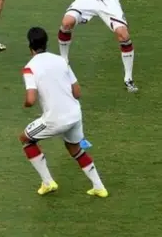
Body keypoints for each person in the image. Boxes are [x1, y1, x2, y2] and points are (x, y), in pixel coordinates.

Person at [19, 27, 108, 198]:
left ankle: (47, 182)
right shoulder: (61, 60)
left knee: (25, 139)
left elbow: (30, 100)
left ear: (29, 46)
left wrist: (26, 104)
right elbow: (77, 92)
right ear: (46, 43)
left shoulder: (29, 68)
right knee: (74, 148)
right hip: (75, 115)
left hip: (54, 120)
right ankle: (99, 187)